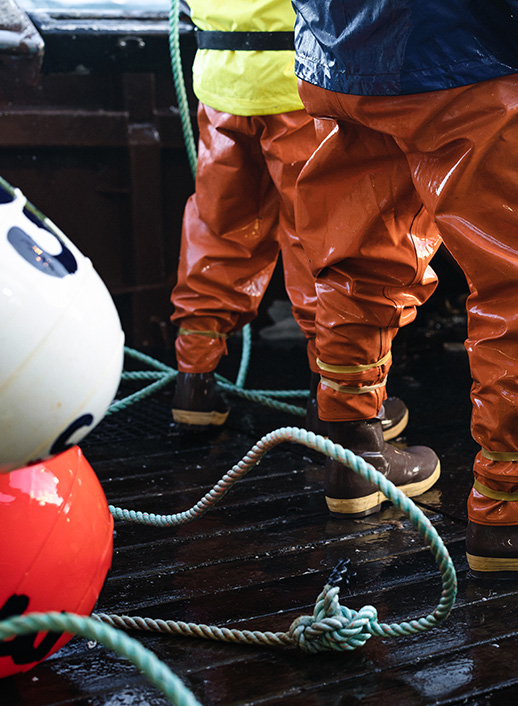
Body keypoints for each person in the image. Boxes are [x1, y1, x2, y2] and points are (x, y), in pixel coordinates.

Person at [290, 0, 518, 577]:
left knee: (358, 251)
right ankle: (514, 507)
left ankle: (353, 450)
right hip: (465, 54)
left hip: (338, 59)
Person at [167, 0, 408, 440]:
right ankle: (334, 397)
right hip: (297, 82)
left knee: (218, 229)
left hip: (221, 81)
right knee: (317, 240)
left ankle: (194, 384)